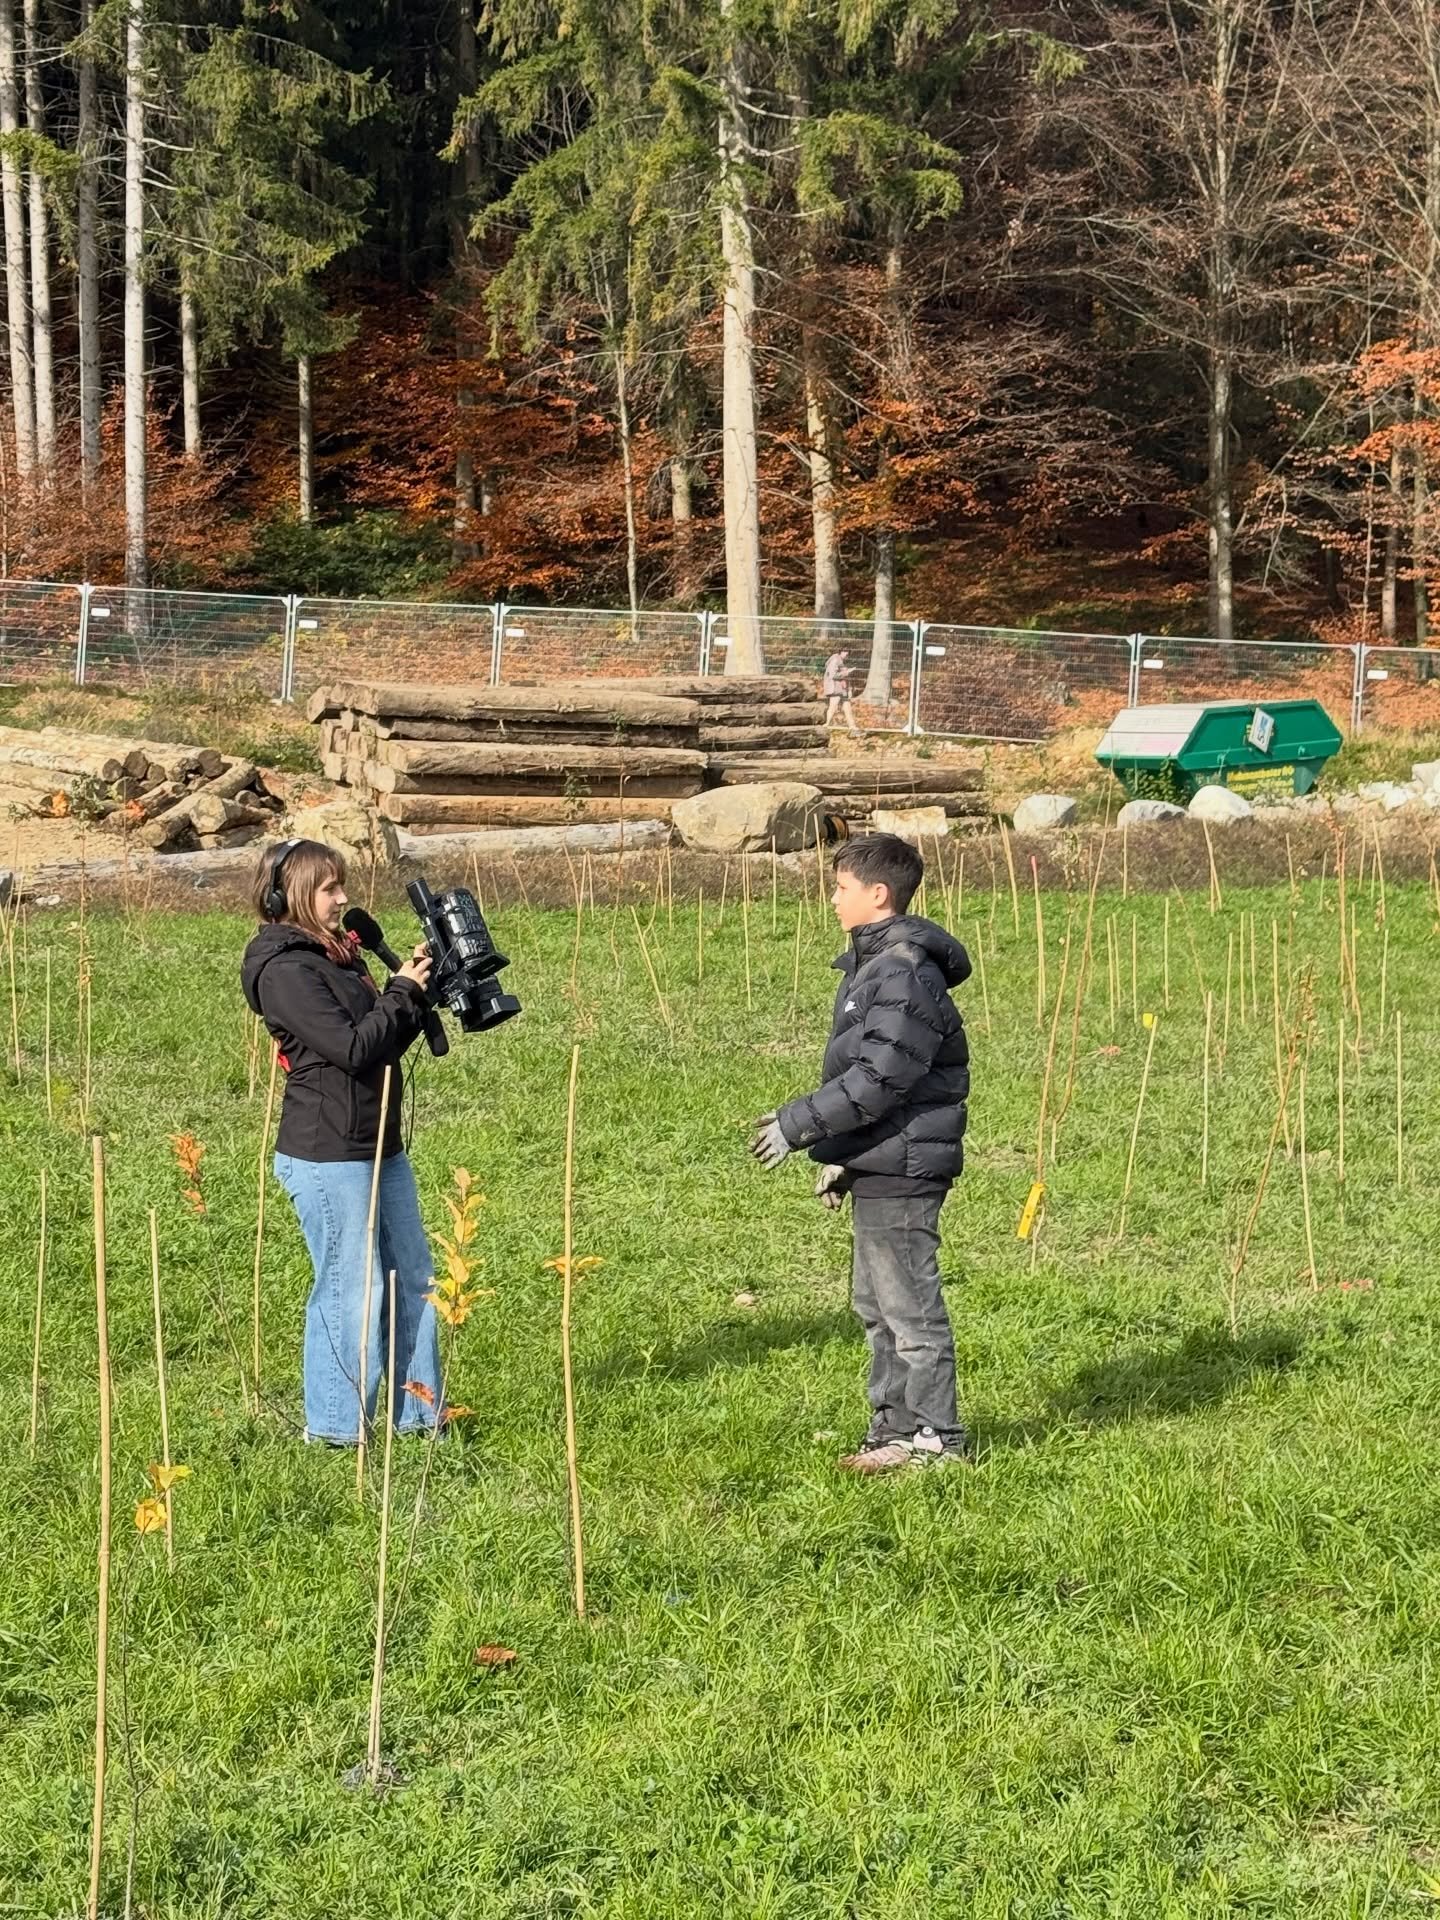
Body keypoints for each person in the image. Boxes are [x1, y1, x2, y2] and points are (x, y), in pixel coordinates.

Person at [750, 833, 973, 1473]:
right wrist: (844, 1155)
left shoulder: (902, 972)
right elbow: (878, 1084)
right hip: (884, 1159)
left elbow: (880, 1079)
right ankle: (893, 1433)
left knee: (910, 1309)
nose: (832, 897)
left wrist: (799, 1126)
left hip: (905, 1171)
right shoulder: (874, 966)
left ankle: (937, 1439)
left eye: (841, 886)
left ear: (878, 895)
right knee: (876, 1309)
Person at [240, 838, 444, 1447]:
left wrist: (414, 993)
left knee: (413, 1277)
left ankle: (419, 1416)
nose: (344, 898)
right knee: (352, 1288)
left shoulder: (337, 956)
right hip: (327, 1153)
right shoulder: (282, 969)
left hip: (379, 1140)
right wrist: (401, 992)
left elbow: (376, 1046)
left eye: (341, 886)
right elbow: (352, 1049)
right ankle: (335, 1431)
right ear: (291, 895)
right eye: (330, 888)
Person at [822, 647, 860, 735]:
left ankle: (852, 727)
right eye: (845, 651)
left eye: (847, 652)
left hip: (842, 689)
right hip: (835, 688)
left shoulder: (841, 662)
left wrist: (849, 689)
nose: (846, 654)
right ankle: (826, 725)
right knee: (833, 707)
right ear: (840, 652)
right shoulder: (835, 660)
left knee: (847, 708)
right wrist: (847, 672)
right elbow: (833, 675)